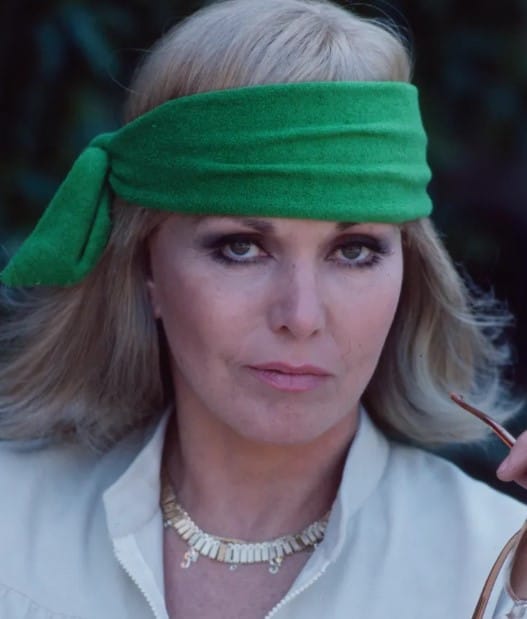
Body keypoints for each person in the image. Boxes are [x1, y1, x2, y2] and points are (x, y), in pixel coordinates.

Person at [0, 0, 525, 617]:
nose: (301, 316)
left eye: (354, 251)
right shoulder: (13, 520)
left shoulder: (500, 568)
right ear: (146, 269)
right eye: (241, 248)